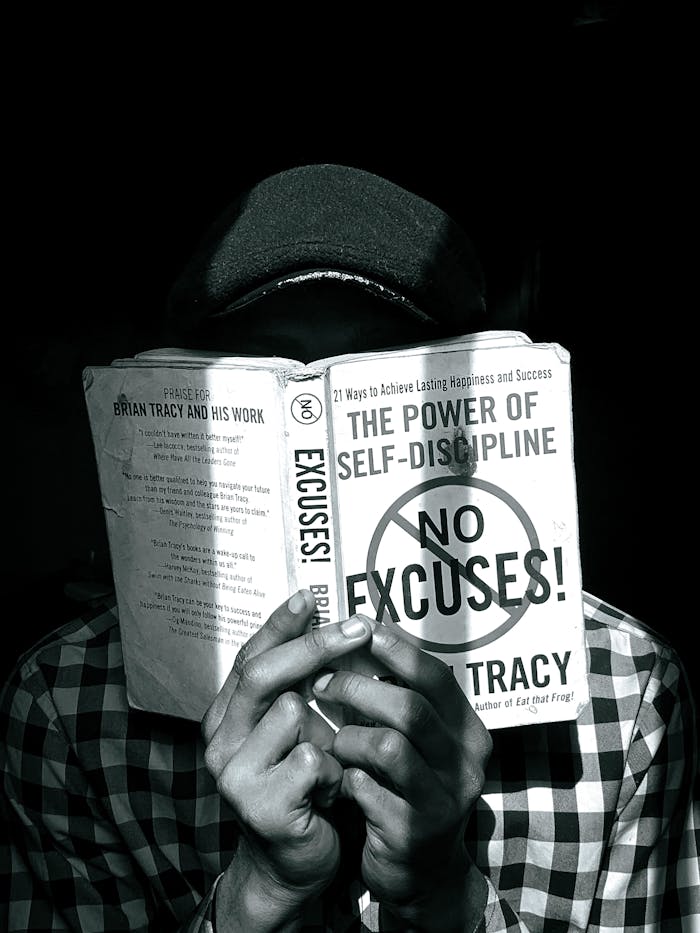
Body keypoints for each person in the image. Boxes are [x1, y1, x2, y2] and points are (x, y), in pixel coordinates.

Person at [1, 164, 698, 932]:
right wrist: (259, 892)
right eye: (270, 362)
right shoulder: (67, 704)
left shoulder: (626, 694)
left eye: (378, 361)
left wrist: (444, 891)